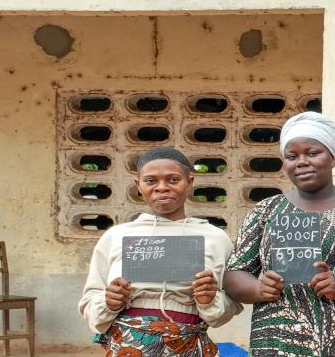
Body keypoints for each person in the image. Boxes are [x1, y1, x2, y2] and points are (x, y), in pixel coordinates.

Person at [224, 112, 335, 356]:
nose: (301, 161)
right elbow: (235, 274)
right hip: (277, 337)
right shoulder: (265, 210)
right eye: (292, 156)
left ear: (332, 158)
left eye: (312, 153)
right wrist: (258, 288)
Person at [80, 147, 242, 356]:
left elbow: (233, 302)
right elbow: (89, 298)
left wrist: (209, 300)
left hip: (190, 346)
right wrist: (108, 301)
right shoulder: (117, 236)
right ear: (138, 185)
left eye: (173, 180)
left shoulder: (215, 239)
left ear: (189, 182)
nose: (162, 188)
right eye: (150, 181)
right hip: (128, 347)